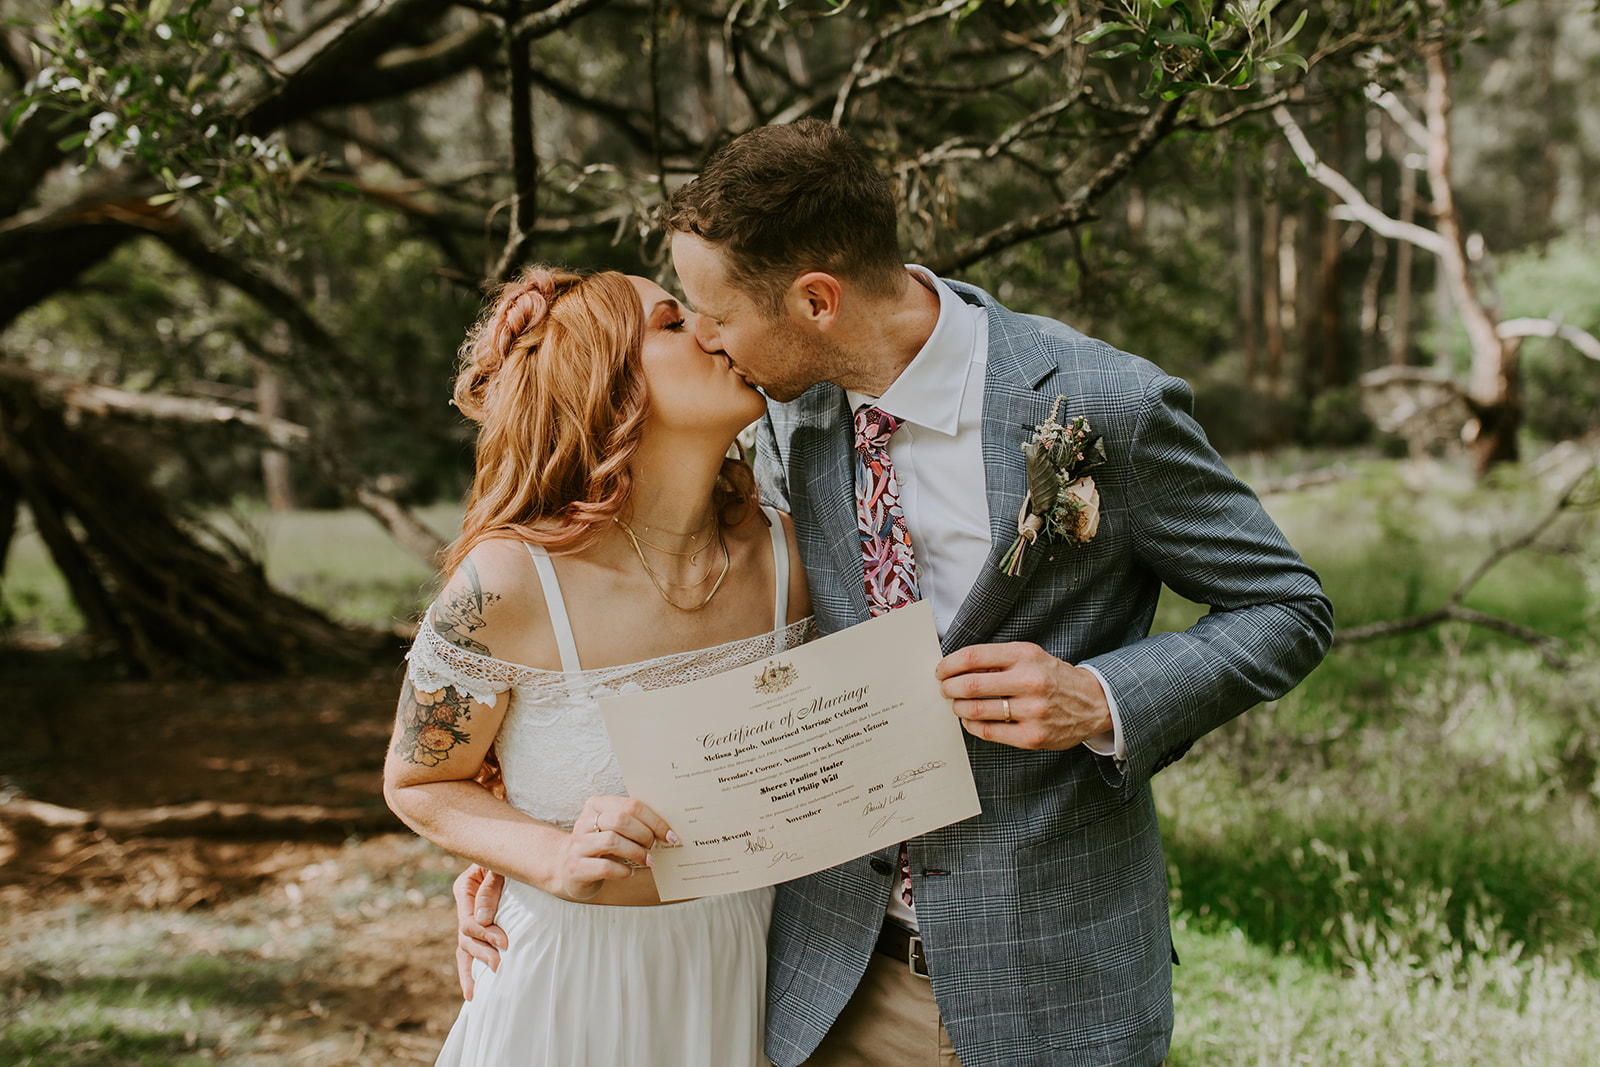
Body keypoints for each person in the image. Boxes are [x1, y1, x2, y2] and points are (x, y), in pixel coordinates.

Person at [459, 120, 1334, 1067]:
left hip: (1055, 987)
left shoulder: (1102, 404)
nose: (706, 339)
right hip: (828, 983)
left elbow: (1287, 607)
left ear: (816, 300)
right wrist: (522, 844)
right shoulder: (787, 415)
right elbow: (684, 623)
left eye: (716, 314)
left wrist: (1104, 697)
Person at [385, 265, 814, 1066]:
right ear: (609, 386)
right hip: (566, 995)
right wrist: (546, 855)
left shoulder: (789, 563)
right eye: (673, 324)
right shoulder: (509, 582)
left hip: (742, 981)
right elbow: (418, 780)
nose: (715, 332)